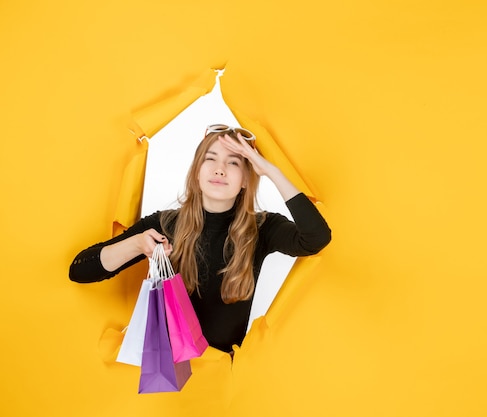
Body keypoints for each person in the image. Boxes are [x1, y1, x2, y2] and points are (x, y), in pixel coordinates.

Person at [69, 124, 332, 354]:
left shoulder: (262, 227)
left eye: (233, 162)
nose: (220, 170)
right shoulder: (165, 224)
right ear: (197, 171)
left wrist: (272, 172)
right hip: (169, 374)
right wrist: (137, 244)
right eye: (211, 159)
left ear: (245, 179)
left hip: (222, 379)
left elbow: (316, 238)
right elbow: (80, 270)